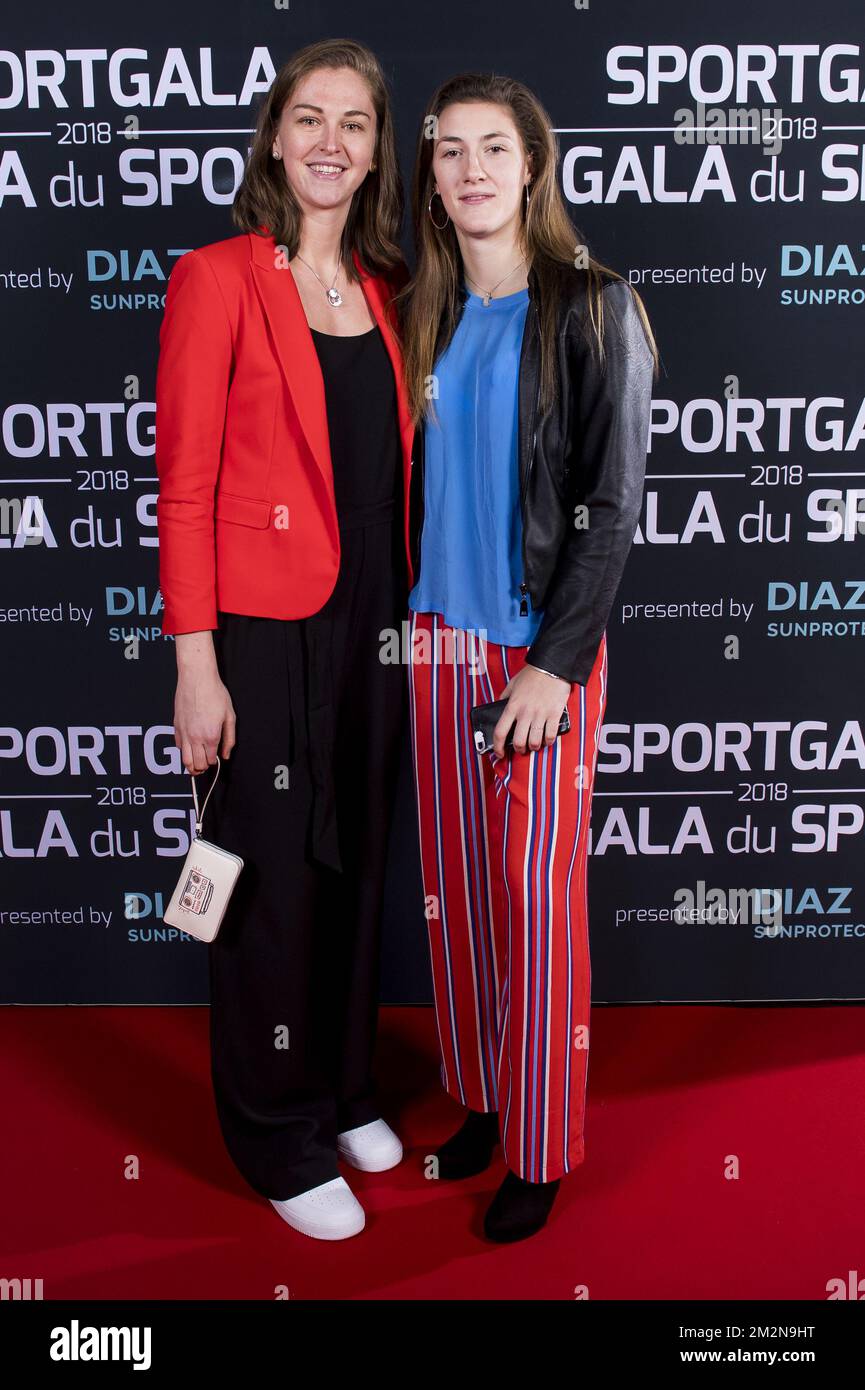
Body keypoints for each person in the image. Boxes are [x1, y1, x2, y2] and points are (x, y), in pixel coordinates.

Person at [154, 39, 415, 1242]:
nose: (330, 142)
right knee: (268, 877)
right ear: (274, 137)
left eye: (354, 123)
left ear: (374, 148)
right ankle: (276, 1130)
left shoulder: (383, 283)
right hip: (260, 622)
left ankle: (345, 1083)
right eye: (309, 118)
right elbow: (188, 483)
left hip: (375, 611)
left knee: (356, 851)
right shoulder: (216, 277)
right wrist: (195, 661)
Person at [398, 72, 658, 1242]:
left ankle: (543, 1146)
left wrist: (555, 665)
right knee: (459, 908)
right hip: (435, 643)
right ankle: (488, 1102)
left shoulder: (596, 304)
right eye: (449, 152)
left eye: (493, 148)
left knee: (532, 896)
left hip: (535, 653)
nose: (470, 171)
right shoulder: (426, 313)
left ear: (533, 165)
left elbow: (608, 506)